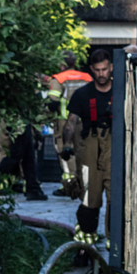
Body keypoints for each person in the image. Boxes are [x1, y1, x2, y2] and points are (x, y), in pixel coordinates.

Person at [68, 49, 113, 234]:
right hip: (90, 147)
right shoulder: (82, 94)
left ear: (111, 67)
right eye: (97, 70)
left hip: (114, 146)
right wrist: (67, 145)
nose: (101, 74)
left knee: (115, 198)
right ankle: (84, 245)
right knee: (89, 198)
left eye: (104, 69)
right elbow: (70, 122)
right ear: (91, 70)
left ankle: (115, 245)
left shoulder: (123, 92)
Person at [46, 51, 91, 199]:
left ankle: (70, 184)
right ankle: (83, 182)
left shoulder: (59, 79)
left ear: (62, 64)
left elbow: (53, 101)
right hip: (85, 121)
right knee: (82, 151)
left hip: (64, 121)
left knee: (65, 152)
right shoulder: (87, 77)